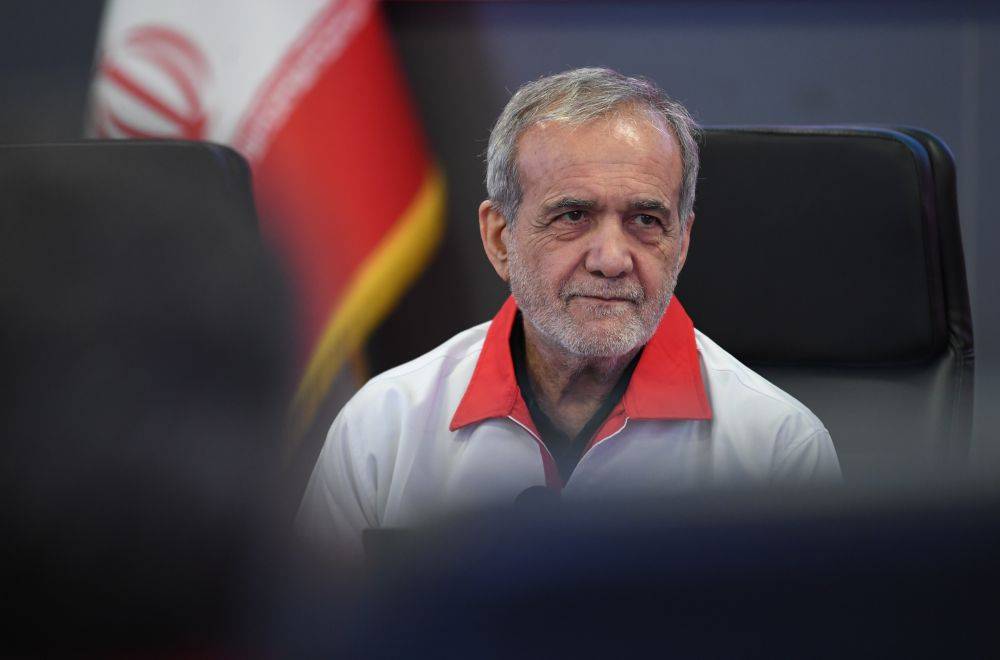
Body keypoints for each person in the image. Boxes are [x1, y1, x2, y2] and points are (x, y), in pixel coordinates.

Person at [297, 67, 840, 559]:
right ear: (499, 238)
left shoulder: (777, 447)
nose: (612, 260)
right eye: (573, 215)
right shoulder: (383, 427)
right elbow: (315, 624)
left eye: (646, 220)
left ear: (682, 243)